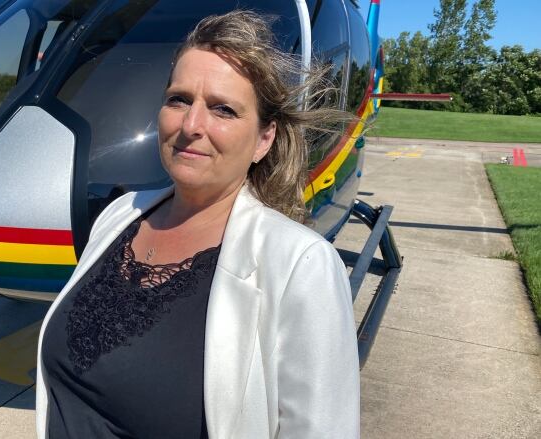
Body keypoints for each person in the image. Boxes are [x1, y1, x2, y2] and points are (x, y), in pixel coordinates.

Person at [35, 10, 359, 439]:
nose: (191, 125)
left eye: (223, 109)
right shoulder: (120, 216)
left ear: (264, 139)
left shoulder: (301, 266)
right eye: (179, 99)